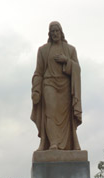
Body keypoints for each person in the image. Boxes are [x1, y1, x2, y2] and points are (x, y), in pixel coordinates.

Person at [31, 21, 82, 151]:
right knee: (50, 113)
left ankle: (69, 143)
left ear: (61, 32)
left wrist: (67, 61)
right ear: (49, 34)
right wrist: (36, 90)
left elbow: (77, 69)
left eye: (56, 31)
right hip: (49, 84)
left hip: (65, 86)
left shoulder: (70, 50)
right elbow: (38, 72)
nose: (54, 34)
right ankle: (52, 143)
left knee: (66, 116)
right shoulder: (43, 50)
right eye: (52, 31)